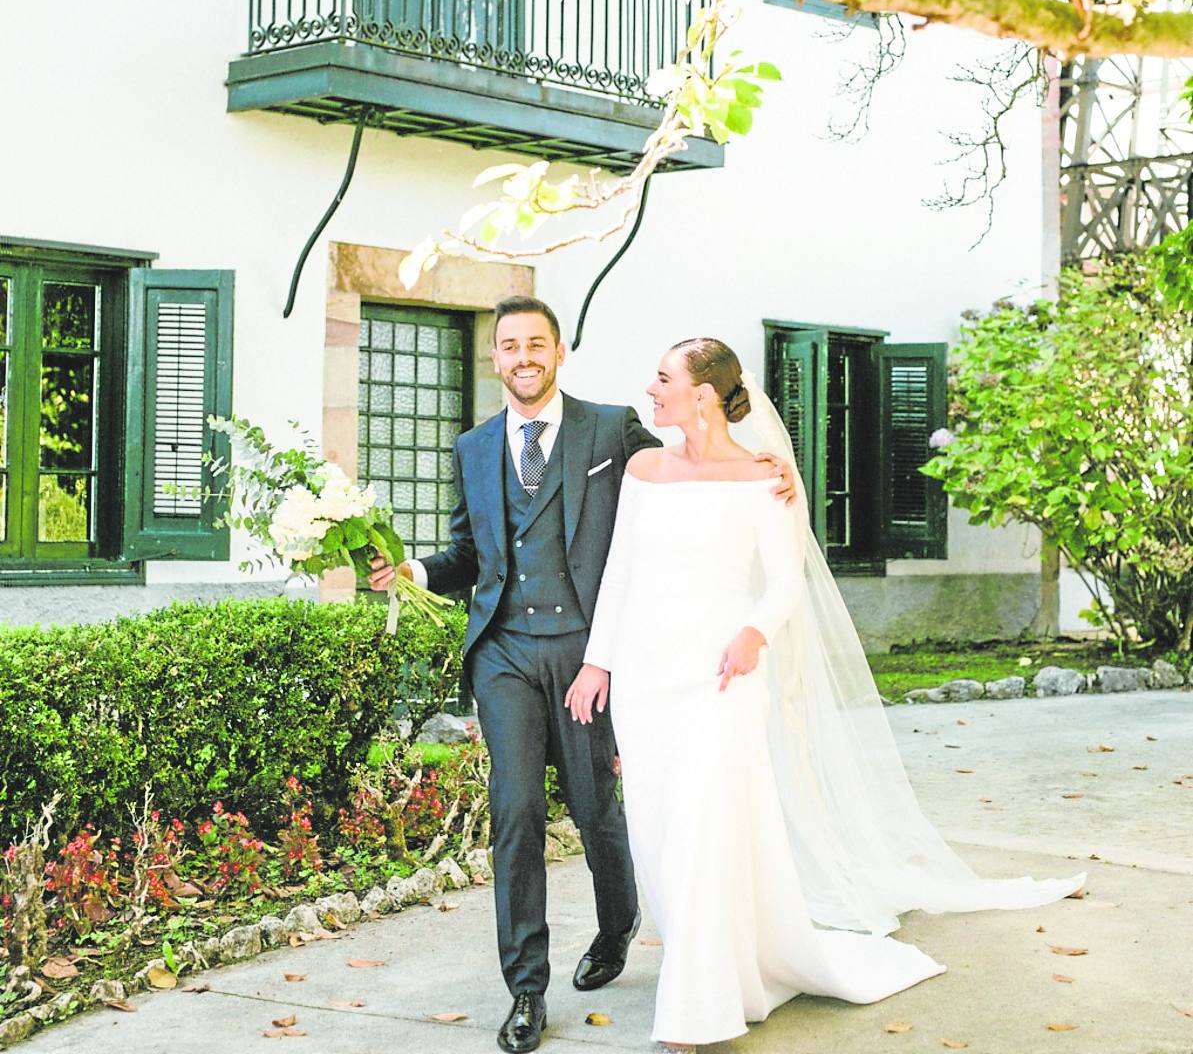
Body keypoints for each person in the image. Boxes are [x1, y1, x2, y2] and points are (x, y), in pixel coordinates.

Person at [565, 337, 1086, 1049]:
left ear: (705, 395)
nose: (649, 390)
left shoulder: (764, 479)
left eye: (662, 379)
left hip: (721, 677)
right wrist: (598, 665)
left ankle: (694, 1012)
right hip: (646, 680)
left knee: (705, 829)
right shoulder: (643, 468)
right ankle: (727, 968)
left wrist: (752, 632)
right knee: (659, 837)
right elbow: (620, 573)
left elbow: (784, 583)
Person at [368, 300, 795, 1053]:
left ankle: (614, 923)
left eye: (536, 343)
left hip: (587, 647)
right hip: (503, 650)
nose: (522, 355)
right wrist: (413, 569)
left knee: (597, 806)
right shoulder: (471, 447)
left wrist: (770, 473)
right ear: (495, 358)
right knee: (516, 810)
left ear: (559, 353)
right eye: (509, 345)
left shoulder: (610, 427)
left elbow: (694, 456)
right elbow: (468, 553)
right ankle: (525, 989)